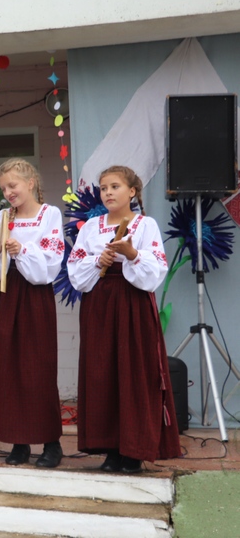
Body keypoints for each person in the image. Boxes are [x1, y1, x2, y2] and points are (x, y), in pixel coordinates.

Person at [67, 165, 181, 473]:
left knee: (133, 372)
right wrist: (98, 260)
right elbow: (75, 268)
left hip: (132, 304)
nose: (108, 193)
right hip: (99, 305)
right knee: (101, 372)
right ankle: (110, 449)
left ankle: (133, 449)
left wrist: (131, 254)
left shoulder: (145, 225)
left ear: (132, 191)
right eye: (104, 188)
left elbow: (157, 268)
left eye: (115, 187)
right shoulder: (91, 227)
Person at [0, 159, 65, 467]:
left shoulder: (49, 214)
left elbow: (50, 263)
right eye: (3, 188)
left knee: (37, 367)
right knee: (8, 366)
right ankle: (19, 441)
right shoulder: (3, 216)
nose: (8, 193)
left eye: (12, 186)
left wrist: (21, 250)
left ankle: (51, 442)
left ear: (30, 183)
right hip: (4, 294)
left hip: (34, 296)